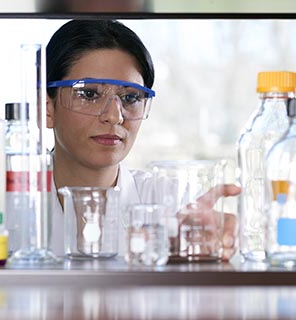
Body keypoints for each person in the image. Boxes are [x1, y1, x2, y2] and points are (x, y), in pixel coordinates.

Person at [45, 19, 240, 261]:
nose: (114, 116)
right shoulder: (1, 201)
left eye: (130, 98)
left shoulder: (174, 204)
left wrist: (205, 245)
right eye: (89, 93)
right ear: (47, 107)